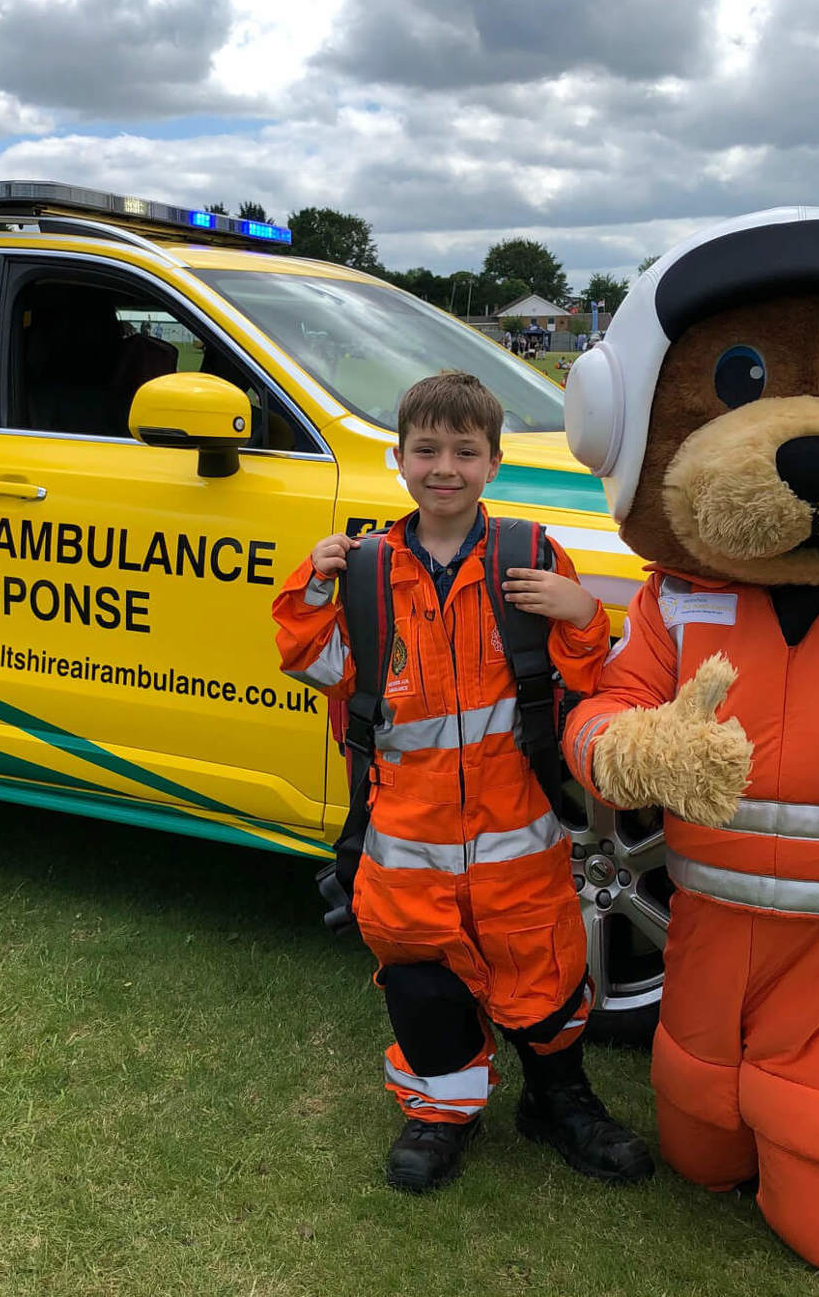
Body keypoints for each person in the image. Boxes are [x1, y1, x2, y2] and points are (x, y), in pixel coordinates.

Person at [273, 371, 653, 1195]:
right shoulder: (367, 572)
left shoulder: (526, 553)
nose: (444, 466)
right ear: (399, 459)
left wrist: (582, 613)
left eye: (465, 452)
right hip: (405, 853)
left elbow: (583, 673)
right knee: (423, 989)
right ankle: (440, 1115)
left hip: (518, 848)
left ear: (493, 462)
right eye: (427, 450)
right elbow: (316, 666)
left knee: (547, 986)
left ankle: (559, 1104)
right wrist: (310, 590)